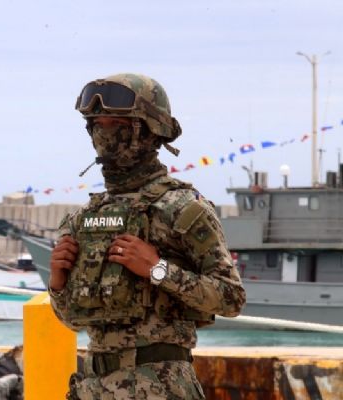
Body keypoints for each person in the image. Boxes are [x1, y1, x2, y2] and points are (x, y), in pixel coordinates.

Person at [49, 73, 246, 399]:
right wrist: (57, 282)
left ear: (146, 129)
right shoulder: (83, 219)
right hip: (93, 387)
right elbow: (73, 320)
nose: (103, 132)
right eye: (96, 123)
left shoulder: (183, 208)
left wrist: (158, 270)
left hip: (158, 386)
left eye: (115, 123)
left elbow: (231, 297)